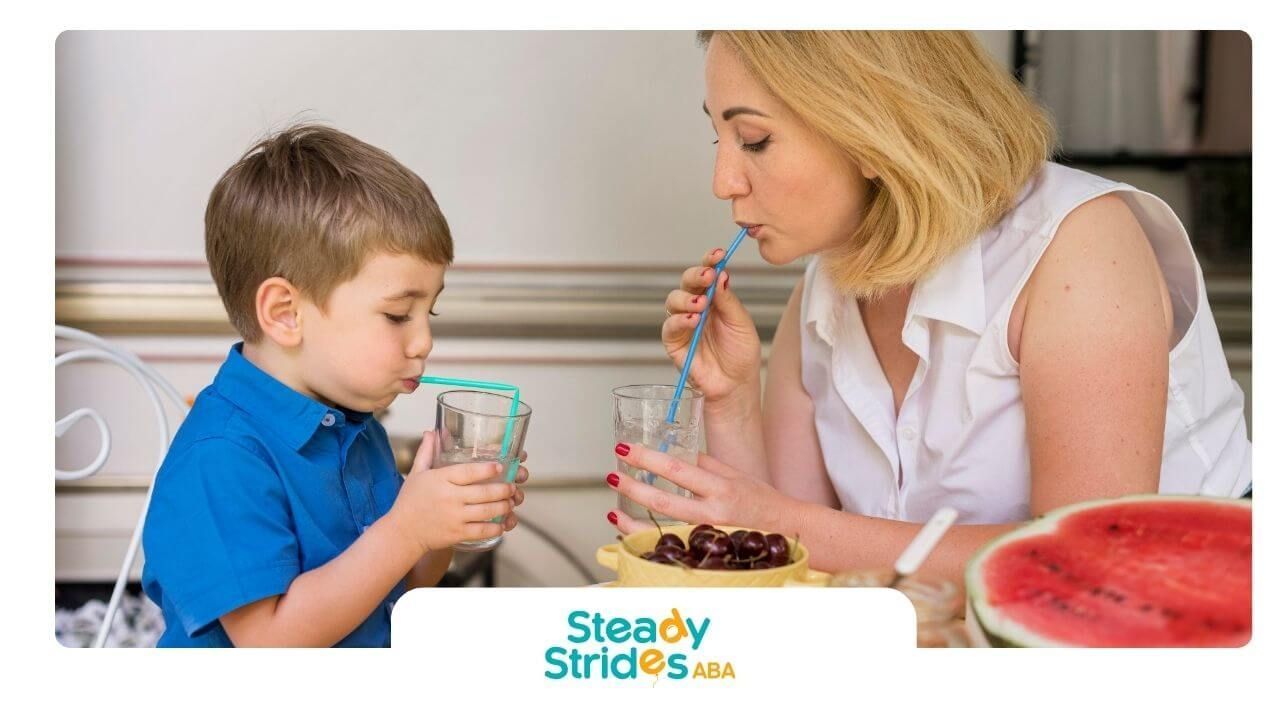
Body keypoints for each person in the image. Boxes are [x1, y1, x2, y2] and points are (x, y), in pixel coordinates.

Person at [605, 31, 1250, 585]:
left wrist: (785, 522)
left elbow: (1083, 560)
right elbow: (793, 563)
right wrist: (733, 397)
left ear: (870, 126)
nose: (723, 181)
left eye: (753, 140)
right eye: (716, 135)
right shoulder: (823, 293)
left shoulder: (1078, 248)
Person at [141, 124, 527, 647]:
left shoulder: (352, 424)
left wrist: (442, 523)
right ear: (285, 314)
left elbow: (401, 587)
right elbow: (269, 644)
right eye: (397, 315)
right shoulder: (221, 457)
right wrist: (408, 529)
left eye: (429, 310)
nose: (424, 342)